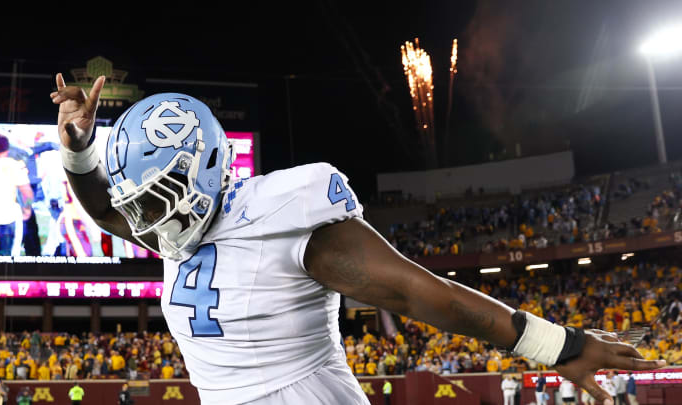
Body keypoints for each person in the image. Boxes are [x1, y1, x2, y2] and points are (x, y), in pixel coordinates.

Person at [51, 73, 664, 405]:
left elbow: (418, 295)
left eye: (160, 195)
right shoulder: (173, 220)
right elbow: (112, 213)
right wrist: (80, 154)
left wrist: (555, 345)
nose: (150, 216)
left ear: (210, 165)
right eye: (144, 201)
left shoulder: (283, 214)